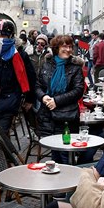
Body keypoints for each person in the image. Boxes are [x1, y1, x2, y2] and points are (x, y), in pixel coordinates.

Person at [35, 34, 84, 164]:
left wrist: (56, 101)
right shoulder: (47, 65)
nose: (68, 50)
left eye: (70, 47)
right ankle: (56, 182)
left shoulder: (75, 67)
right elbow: (37, 85)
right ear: (57, 48)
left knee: (65, 154)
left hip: (67, 117)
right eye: (64, 46)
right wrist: (44, 97)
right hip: (48, 116)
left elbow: (78, 91)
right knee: (54, 153)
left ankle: (68, 182)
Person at [0, 19, 36, 139]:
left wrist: (29, 99)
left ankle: (3, 157)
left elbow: (30, 77)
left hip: (10, 99)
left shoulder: (19, 54)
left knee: (1, 136)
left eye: (3, 35)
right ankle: (3, 157)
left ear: (10, 36)